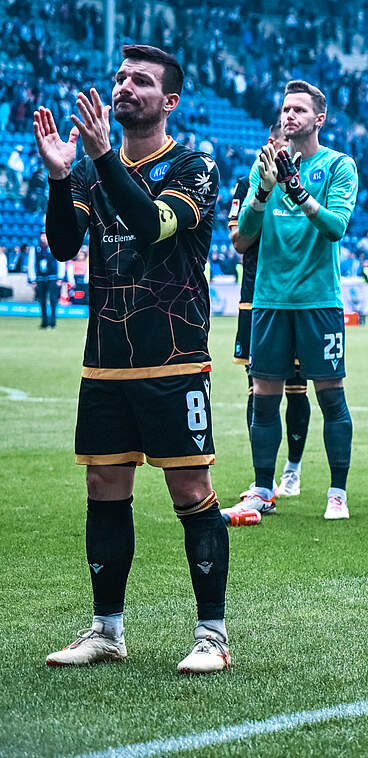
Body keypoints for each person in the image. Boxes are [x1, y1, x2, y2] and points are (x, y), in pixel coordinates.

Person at [37, 44, 230, 673]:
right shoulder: (92, 169)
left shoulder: (194, 167)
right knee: (103, 486)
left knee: (190, 489)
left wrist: (97, 159)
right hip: (105, 360)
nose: (124, 87)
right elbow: (63, 243)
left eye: (140, 81)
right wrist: (60, 177)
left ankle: (211, 636)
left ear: (168, 100)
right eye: (120, 78)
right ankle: (107, 631)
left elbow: (151, 224)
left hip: (174, 360)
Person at [222, 80, 359, 523]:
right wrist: (263, 192)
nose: (289, 116)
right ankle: (263, 490)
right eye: (285, 109)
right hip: (269, 300)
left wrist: (298, 190)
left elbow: (336, 227)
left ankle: (337, 494)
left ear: (320, 118)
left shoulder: (338, 165)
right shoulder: (260, 168)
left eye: (298, 109)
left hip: (319, 301)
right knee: (264, 398)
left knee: (331, 398)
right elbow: (243, 239)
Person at [228, 125, 312, 499]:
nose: (285, 148)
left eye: (291, 143)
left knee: (296, 388)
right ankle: (262, 477)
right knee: (257, 391)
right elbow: (238, 240)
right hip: (255, 298)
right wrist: (264, 194)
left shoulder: (308, 183)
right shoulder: (248, 184)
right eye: (280, 142)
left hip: (297, 297)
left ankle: (293, 469)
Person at [27, 231, 65, 328]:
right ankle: (44, 321)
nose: (43, 238)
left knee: (53, 299)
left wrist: (60, 277)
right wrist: (32, 279)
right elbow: (31, 263)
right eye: (42, 236)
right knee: (42, 300)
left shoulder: (55, 247)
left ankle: (53, 322)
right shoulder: (35, 249)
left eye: (45, 236)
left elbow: (60, 261)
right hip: (40, 278)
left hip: (53, 277)